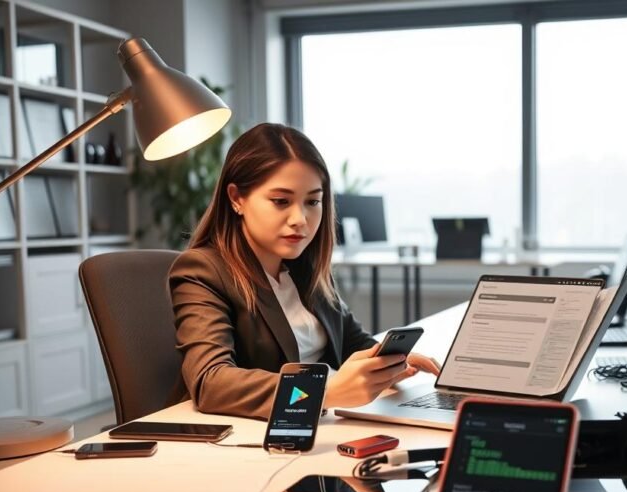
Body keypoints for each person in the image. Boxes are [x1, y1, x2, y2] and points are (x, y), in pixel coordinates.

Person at [168, 123, 440, 419]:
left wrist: (387, 361)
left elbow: (350, 342)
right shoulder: (202, 270)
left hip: (319, 424)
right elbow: (212, 382)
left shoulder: (304, 265)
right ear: (236, 198)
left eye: (312, 201)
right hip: (241, 438)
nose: (300, 219)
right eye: (281, 201)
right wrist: (325, 391)